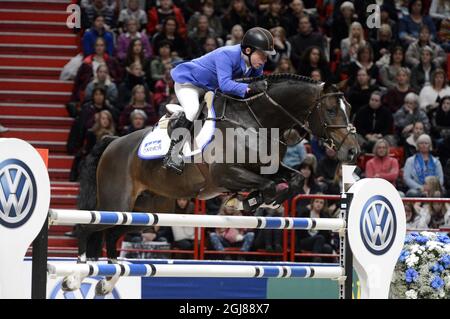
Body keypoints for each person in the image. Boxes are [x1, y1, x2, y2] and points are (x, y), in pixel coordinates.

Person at [164, 27, 276, 174]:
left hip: (211, 90)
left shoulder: (255, 64)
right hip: (190, 83)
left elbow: (257, 84)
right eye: (262, 55)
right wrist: (250, 88)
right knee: (192, 110)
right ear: (248, 50)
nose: (265, 60)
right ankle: (172, 154)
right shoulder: (227, 54)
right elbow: (226, 84)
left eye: (266, 56)